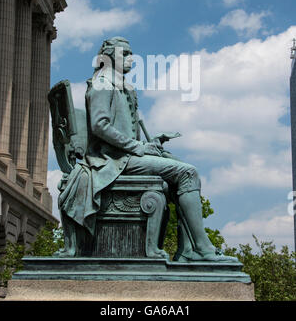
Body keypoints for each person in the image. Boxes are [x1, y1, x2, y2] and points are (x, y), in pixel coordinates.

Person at [78, 36, 236, 262]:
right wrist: (137, 148)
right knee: (187, 172)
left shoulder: (120, 85)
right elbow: (99, 125)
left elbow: (123, 129)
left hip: (125, 155)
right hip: (112, 161)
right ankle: (201, 248)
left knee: (176, 163)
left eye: (131, 53)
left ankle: (188, 250)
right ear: (109, 56)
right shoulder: (103, 83)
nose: (131, 58)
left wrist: (150, 145)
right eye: (125, 53)